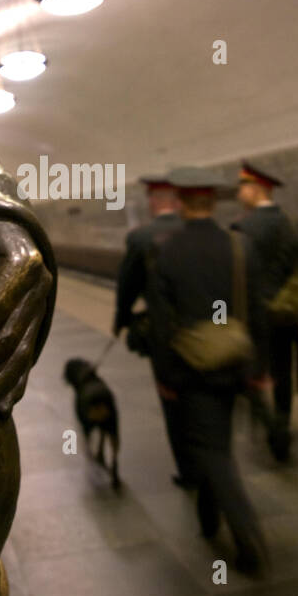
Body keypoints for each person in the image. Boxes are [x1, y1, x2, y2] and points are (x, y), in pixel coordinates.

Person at [152, 167, 271, 576]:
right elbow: (258, 312)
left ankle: (249, 536)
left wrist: (165, 377)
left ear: (181, 202)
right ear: (214, 202)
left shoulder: (168, 251)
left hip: (192, 370)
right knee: (212, 441)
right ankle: (207, 519)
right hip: (235, 362)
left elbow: (162, 325)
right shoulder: (241, 247)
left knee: (213, 450)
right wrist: (259, 368)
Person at [114, 176, 191, 486]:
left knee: (173, 403)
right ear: (176, 201)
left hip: (165, 337)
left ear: (155, 201)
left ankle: (189, 470)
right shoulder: (195, 231)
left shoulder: (142, 237)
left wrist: (121, 318)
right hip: (206, 328)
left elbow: (127, 285)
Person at [233, 161, 298, 461]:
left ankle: (272, 430)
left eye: (242, 187)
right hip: (286, 312)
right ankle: (284, 422)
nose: (239, 193)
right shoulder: (293, 223)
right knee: (283, 372)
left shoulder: (242, 228)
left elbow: (237, 277)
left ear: (256, 189)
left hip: (254, 316)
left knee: (254, 373)